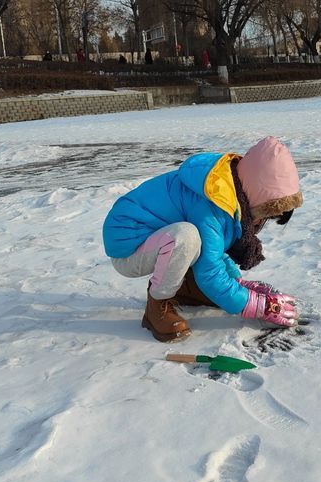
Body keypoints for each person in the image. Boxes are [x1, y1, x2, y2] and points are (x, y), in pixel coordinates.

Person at [102, 136, 302, 342]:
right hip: (128, 247)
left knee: (192, 241)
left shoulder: (226, 188)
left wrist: (238, 282)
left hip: (154, 239)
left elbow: (213, 251)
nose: (259, 223)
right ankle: (157, 305)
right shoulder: (212, 203)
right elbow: (210, 271)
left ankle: (189, 289)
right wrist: (256, 306)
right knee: (186, 237)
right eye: (264, 214)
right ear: (256, 194)